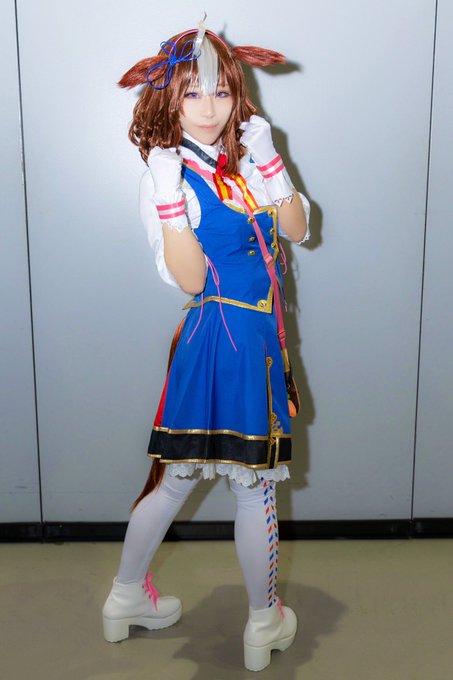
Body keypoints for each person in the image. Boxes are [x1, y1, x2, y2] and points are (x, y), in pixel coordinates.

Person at [102, 19, 310, 672]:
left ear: (236, 95)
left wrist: (269, 159)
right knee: (235, 488)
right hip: (224, 337)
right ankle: (261, 622)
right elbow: (191, 280)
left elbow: (298, 229)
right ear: (170, 98)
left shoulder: (243, 166)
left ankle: (126, 598)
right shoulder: (169, 174)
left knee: (178, 483)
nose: (208, 107)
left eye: (220, 92)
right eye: (192, 92)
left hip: (253, 336)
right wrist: (168, 200)